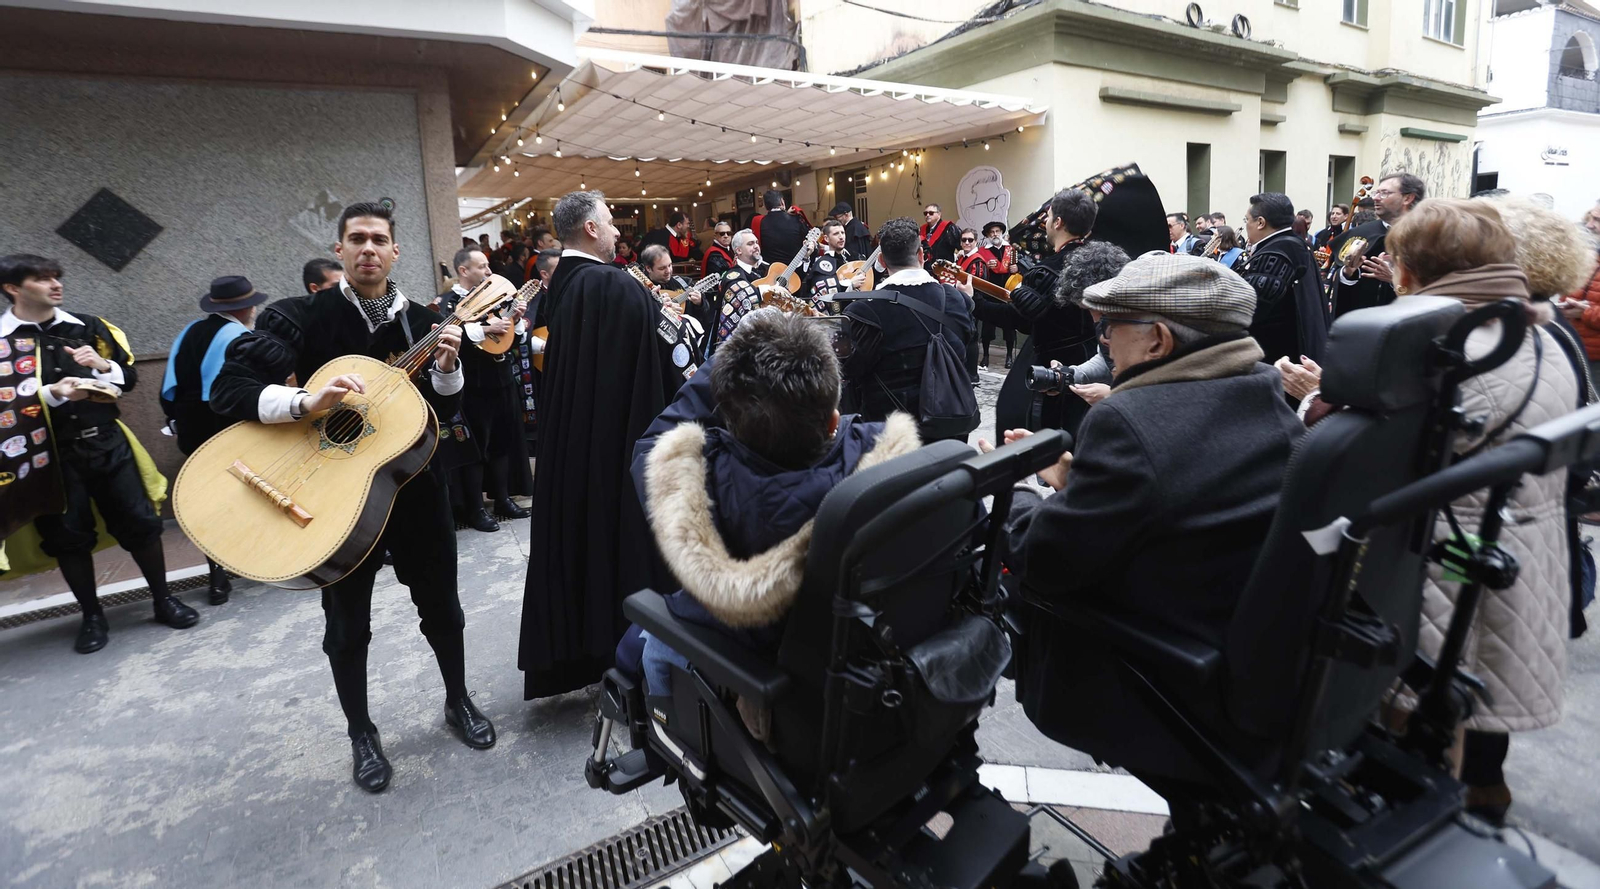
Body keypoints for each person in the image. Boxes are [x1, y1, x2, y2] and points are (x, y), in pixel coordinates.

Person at [210, 202, 495, 792]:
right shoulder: (297, 317)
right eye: (356, 239)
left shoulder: (425, 320)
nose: (368, 248)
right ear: (339, 251)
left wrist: (446, 368)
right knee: (346, 626)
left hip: (415, 488)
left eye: (380, 240)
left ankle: (458, 700)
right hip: (331, 493)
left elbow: (442, 412)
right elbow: (228, 389)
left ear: (395, 253)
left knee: (442, 607)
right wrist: (306, 403)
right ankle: (361, 732)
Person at [989, 250, 1303, 782]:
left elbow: (1043, 559)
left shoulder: (1127, 419)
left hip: (1164, 676)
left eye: (1112, 326)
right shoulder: (1263, 390)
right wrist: (1074, 476)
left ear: (1158, 340)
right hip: (1259, 657)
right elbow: (1183, 490)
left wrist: (1014, 491)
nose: (1104, 340)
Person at [1382, 199, 1578, 825]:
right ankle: (1476, 805)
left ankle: (1431, 822)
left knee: (1430, 703)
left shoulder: (1434, 343)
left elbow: (1384, 459)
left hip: (1448, 553)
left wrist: (1313, 405)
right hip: (1526, 543)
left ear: (1408, 270)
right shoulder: (1546, 335)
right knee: (1478, 690)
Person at [626, 311, 921, 695]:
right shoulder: (883, 454)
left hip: (759, 668)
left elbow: (653, 452)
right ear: (833, 421)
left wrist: (729, 357)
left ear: (731, 424)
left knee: (650, 643)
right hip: (861, 659)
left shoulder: (712, 481)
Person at [518, 190, 683, 700]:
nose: (616, 231)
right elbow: (660, 366)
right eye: (610, 222)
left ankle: (585, 650)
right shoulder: (613, 286)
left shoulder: (560, 286)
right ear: (590, 229)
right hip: (617, 451)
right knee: (618, 542)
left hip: (576, 447)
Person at [2, 253, 201, 653]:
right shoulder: (2, 344)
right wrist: (51, 395)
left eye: (57, 277)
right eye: (43, 279)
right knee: (67, 537)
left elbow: (128, 378)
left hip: (106, 441)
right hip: (47, 455)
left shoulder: (87, 327)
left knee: (141, 523)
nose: (56, 285)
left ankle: (163, 599)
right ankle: (92, 616)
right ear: (13, 288)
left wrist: (102, 365)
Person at [159, 275, 272, 604]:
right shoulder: (239, 335)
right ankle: (258, 559)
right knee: (248, 493)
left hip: (190, 426)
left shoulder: (190, 330)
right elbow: (238, 390)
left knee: (210, 500)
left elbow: (169, 384)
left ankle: (217, 576)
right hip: (225, 425)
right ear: (247, 307)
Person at [836, 216, 976, 442]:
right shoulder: (956, 299)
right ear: (921, 255)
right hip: (950, 428)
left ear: (881, 259)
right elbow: (967, 343)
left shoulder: (864, 310)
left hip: (893, 435)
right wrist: (965, 299)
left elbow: (850, 369)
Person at [438, 247, 532, 533]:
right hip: (472, 386)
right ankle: (474, 509)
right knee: (475, 447)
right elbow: (450, 333)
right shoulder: (450, 302)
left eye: (488, 266)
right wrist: (487, 330)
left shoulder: (494, 299)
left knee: (502, 443)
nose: (489, 272)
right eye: (482, 267)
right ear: (464, 271)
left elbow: (509, 340)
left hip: (501, 380)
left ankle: (502, 498)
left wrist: (514, 321)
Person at [1239, 192, 1328, 365]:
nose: (1246, 225)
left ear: (1260, 222)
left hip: (1277, 359)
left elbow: (1250, 308)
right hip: (1295, 352)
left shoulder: (1276, 253)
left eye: (1246, 220)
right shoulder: (1294, 244)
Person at [1330, 172, 1424, 318]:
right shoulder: (1361, 234)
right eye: (1376, 192)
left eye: (1384, 193)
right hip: (1362, 324)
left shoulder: (1428, 237)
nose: (1375, 198)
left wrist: (1394, 279)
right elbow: (1336, 282)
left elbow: (1438, 291)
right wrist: (1348, 272)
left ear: (1408, 198)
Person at [1559, 204, 1600, 383]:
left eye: (1597, 220)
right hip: (1572, 349)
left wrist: (1584, 312)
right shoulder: (1586, 256)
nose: (1589, 225)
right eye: (1589, 218)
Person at [710, 229, 768, 352]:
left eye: (756, 242)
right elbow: (743, 294)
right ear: (738, 250)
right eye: (750, 243)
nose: (756, 246)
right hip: (741, 349)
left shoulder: (764, 269)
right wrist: (767, 290)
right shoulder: (732, 276)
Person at [977, 221, 1020, 369]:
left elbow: (1021, 271)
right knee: (987, 328)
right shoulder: (982, 252)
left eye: (997, 231)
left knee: (1009, 327)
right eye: (992, 232)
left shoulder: (1012, 250)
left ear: (1001, 233)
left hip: (1008, 293)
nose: (995, 234)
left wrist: (1016, 268)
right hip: (990, 293)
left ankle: (1009, 357)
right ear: (988, 235)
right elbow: (979, 272)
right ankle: (986, 356)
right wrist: (986, 267)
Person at [799, 219, 857, 312]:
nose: (841, 237)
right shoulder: (822, 263)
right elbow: (827, 291)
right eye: (836, 234)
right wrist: (851, 285)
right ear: (826, 238)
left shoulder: (853, 257)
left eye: (842, 233)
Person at [756, 190, 807, 264]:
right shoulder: (797, 220)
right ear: (782, 202)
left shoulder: (760, 223)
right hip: (794, 270)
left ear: (766, 207)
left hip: (771, 271)